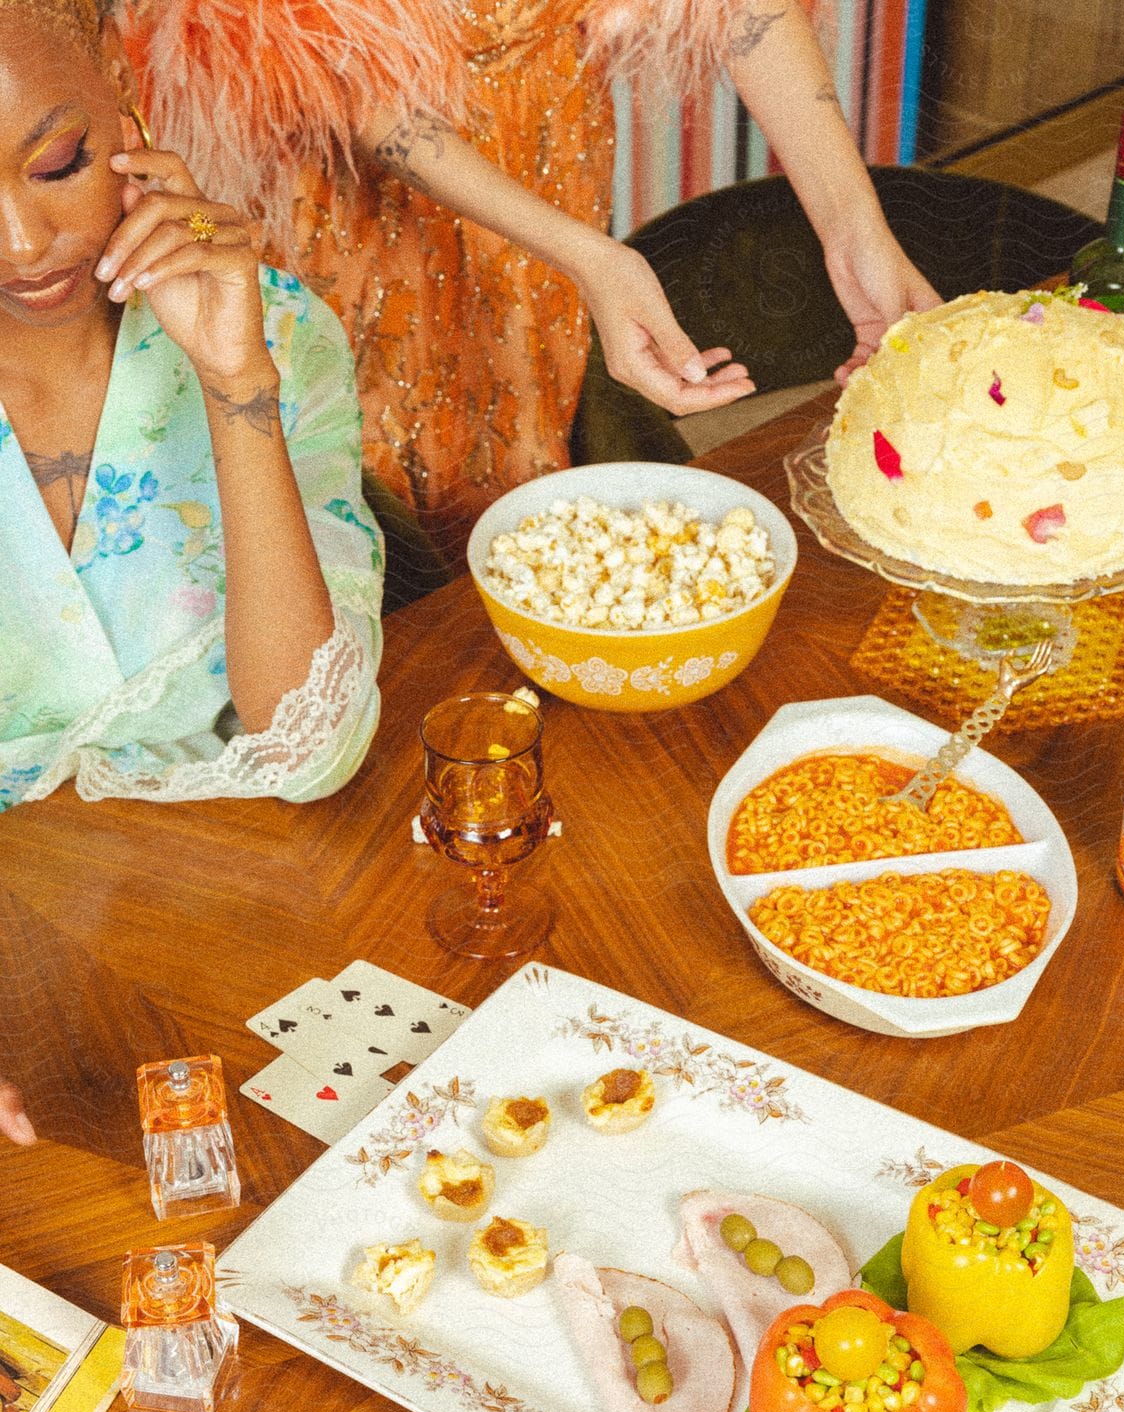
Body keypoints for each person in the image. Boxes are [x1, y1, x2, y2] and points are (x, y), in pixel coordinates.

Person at [124, 0, 940, 543]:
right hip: (343, 194)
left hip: (547, 145)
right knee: (365, 485)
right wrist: (589, 255)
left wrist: (853, 227)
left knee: (522, 440)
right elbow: (343, 71)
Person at [0, 0, 383, 814]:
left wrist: (235, 384)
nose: (23, 244)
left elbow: (308, 751)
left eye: (57, 164)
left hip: (231, 892)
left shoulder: (278, 333)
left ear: (117, 70)